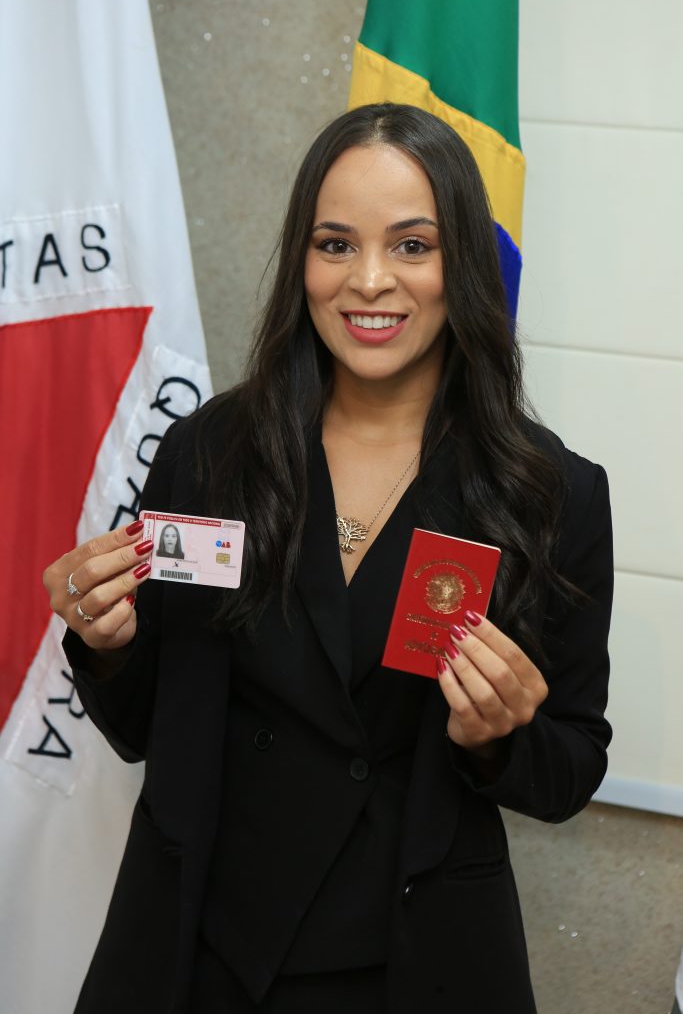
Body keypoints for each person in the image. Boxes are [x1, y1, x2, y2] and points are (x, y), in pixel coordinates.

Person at [43, 103, 613, 1013]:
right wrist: (105, 643)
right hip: (197, 949)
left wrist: (498, 738)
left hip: (412, 962)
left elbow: (570, 770)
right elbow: (145, 727)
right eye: (335, 244)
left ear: (463, 263)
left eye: (412, 245)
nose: (369, 281)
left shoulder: (550, 493)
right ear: (301, 262)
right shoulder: (209, 451)